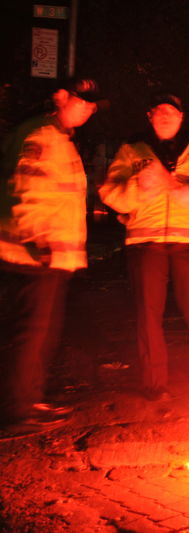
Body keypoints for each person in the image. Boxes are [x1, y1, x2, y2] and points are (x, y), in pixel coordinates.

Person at [99, 93, 189, 401]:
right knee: (148, 314)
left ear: (181, 117)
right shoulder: (132, 149)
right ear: (150, 115)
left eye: (172, 112)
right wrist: (139, 189)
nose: (166, 116)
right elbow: (110, 192)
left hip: (188, 242)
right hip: (146, 242)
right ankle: (154, 384)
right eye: (160, 111)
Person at [1, 78, 104, 431]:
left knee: (42, 333)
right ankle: (17, 410)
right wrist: (37, 237)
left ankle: (30, 399)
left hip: (51, 257)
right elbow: (25, 185)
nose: (88, 109)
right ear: (61, 98)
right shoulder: (42, 136)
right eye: (82, 102)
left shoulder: (60, 138)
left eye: (92, 106)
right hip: (33, 254)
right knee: (30, 332)